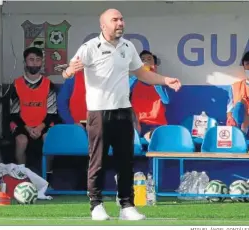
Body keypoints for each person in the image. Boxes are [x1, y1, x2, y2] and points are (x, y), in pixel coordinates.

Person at [62, 8, 181, 221]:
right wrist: (69, 71)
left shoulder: (128, 46)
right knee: (97, 160)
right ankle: (96, 205)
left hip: (123, 111)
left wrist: (165, 80)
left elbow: (141, 73)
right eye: (114, 20)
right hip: (98, 112)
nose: (120, 23)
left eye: (121, 19)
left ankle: (127, 206)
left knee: (125, 161)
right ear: (103, 25)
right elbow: (69, 69)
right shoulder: (90, 47)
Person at [9, 47, 57, 166]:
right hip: (22, 124)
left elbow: (52, 113)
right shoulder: (16, 84)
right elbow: (14, 114)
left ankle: (47, 175)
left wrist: (40, 128)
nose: (34, 63)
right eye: (31, 59)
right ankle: (22, 173)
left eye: (38, 59)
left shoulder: (49, 84)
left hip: (43, 124)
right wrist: (28, 128)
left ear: (41, 62)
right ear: (25, 62)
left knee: (49, 140)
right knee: (21, 141)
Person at [130, 50, 169, 142]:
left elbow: (166, 101)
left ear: (154, 65)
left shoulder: (161, 82)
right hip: (137, 123)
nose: (145, 62)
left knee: (153, 139)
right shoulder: (133, 81)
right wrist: (139, 74)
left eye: (149, 59)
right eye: (142, 60)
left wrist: (153, 78)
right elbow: (124, 93)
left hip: (155, 124)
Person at [227, 51, 249, 136]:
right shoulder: (235, 87)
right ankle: (239, 137)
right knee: (240, 104)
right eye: (247, 64)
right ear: (243, 66)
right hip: (240, 124)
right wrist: (230, 118)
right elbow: (230, 108)